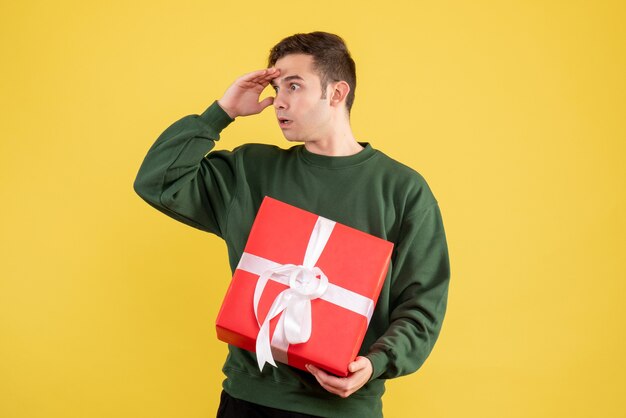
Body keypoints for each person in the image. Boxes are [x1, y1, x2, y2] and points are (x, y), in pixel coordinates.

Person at [133, 31, 450, 418]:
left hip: (346, 408)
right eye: (276, 87)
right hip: (250, 402)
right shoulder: (250, 172)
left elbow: (422, 304)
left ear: (336, 93)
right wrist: (222, 111)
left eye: (294, 86)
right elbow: (157, 181)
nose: (278, 101)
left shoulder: (402, 191)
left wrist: (376, 364)